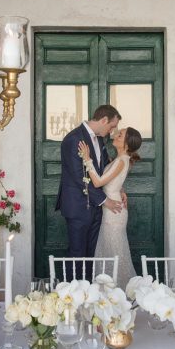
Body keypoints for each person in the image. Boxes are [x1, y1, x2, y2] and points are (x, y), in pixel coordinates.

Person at [55, 104, 124, 281]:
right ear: (103, 120)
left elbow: (104, 169)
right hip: (78, 207)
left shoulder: (99, 139)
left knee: (92, 253)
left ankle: (88, 294)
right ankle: (73, 296)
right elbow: (79, 177)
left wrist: (119, 186)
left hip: (95, 208)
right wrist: (105, 201)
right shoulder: (73, 139)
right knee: (77, 253)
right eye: (112, 126)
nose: (112, 131)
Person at [77, 127, 142, 287]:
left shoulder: (121, 160)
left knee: (115, 254)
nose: (116, 134)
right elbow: (113, 182)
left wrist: (87, 159)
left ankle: (123, 291)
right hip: (111, 208)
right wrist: (120, 189)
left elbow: (98, 182)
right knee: (109, 252)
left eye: (121, 135)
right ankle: (109, 291)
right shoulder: (120, 159)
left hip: (114, 212)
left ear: (126, 144)